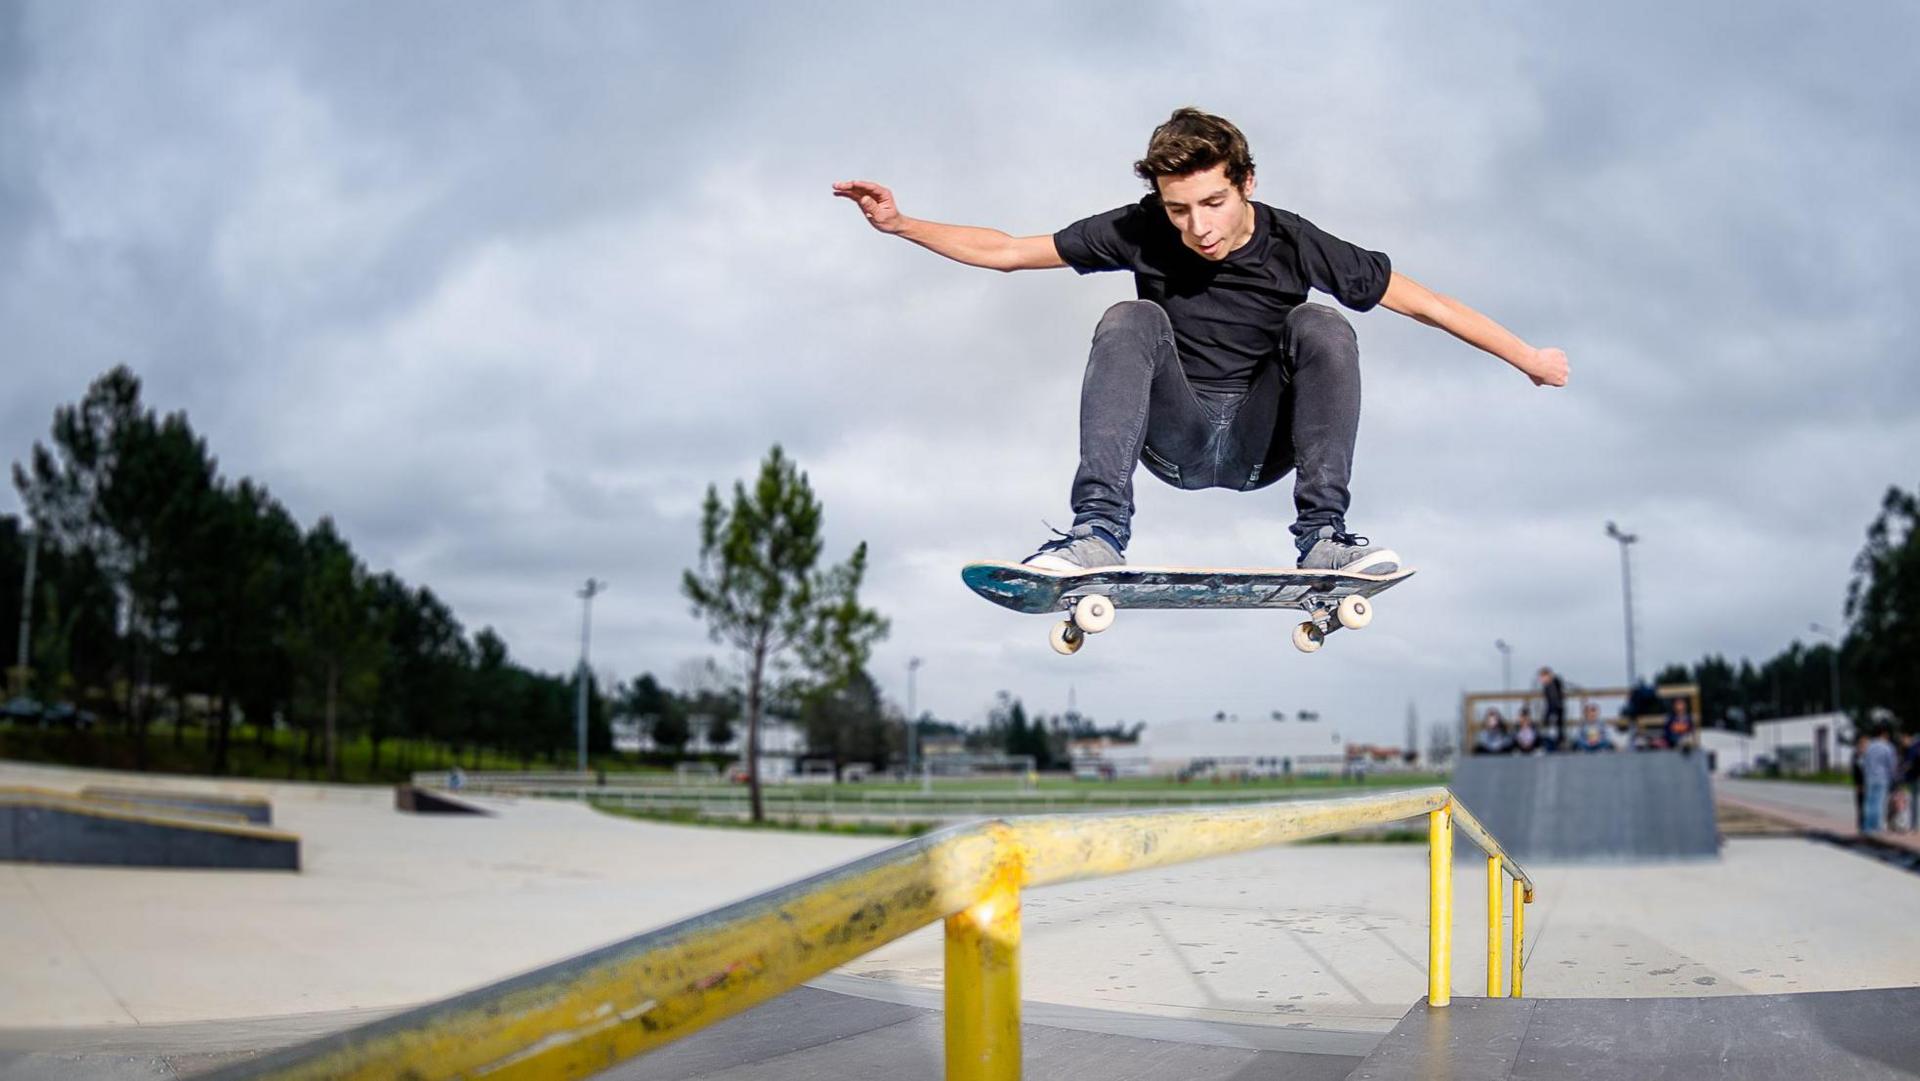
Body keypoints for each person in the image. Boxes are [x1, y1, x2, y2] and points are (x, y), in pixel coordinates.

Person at [834, 108, 1569, 572]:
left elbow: (1428, 304)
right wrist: (902, 223)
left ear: (1246, 181)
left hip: (1261, 444)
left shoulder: (1297, 242)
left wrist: (1528, 359)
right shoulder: (1140, 228)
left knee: (1322, 323)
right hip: (1175, 440)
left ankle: (1324, 535)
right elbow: (1007, 250)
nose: (1199, 227)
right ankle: (1097, 532)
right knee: (1131, 318)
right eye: (1179, 209)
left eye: (1213, 202)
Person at [1862, 724, 1897, 833]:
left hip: (1870, 777)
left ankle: (1867, 826)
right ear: (1884, 734)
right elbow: (1891, 764)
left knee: (1869, 802)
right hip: (1882, 778)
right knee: (1879, 802)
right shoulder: (1888, 747)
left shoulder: (1869, 746)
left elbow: (1865, 763)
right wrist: (1894, 778)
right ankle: (1876, 827)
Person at [1537, 666, 1567, 748]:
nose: (1541, 680)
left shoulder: (1553, 684)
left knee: (1555, 731)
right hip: (1553, 710)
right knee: (1552, 731)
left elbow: (1554, 700)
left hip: (1555, 710)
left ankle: (1556, 745)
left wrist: (1551, 714)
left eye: (1542, 677)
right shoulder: (1548, 685)